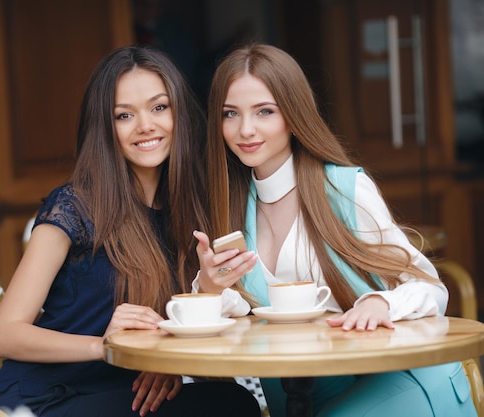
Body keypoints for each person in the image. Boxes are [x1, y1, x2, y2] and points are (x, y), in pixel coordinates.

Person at [192, 44, 477, 417]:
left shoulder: (344, 189)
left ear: (293, 115)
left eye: (265, 111)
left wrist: (380, 302)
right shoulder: (230, 207)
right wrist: (210, 289)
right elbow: (235, 323)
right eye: (231, 114)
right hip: (300, 398)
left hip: (399, 382)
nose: (246, 129)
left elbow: (431, 289)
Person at [0, 46, 261, 417]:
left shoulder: (187, 212)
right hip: (44, 400)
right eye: (124, 115)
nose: (145, 125)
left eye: (159, 107)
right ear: (106, 127)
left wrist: (166, 356)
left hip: (125, 396)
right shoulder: (74, 207)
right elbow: (4, 335)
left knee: (233, 402)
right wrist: (106, 346)